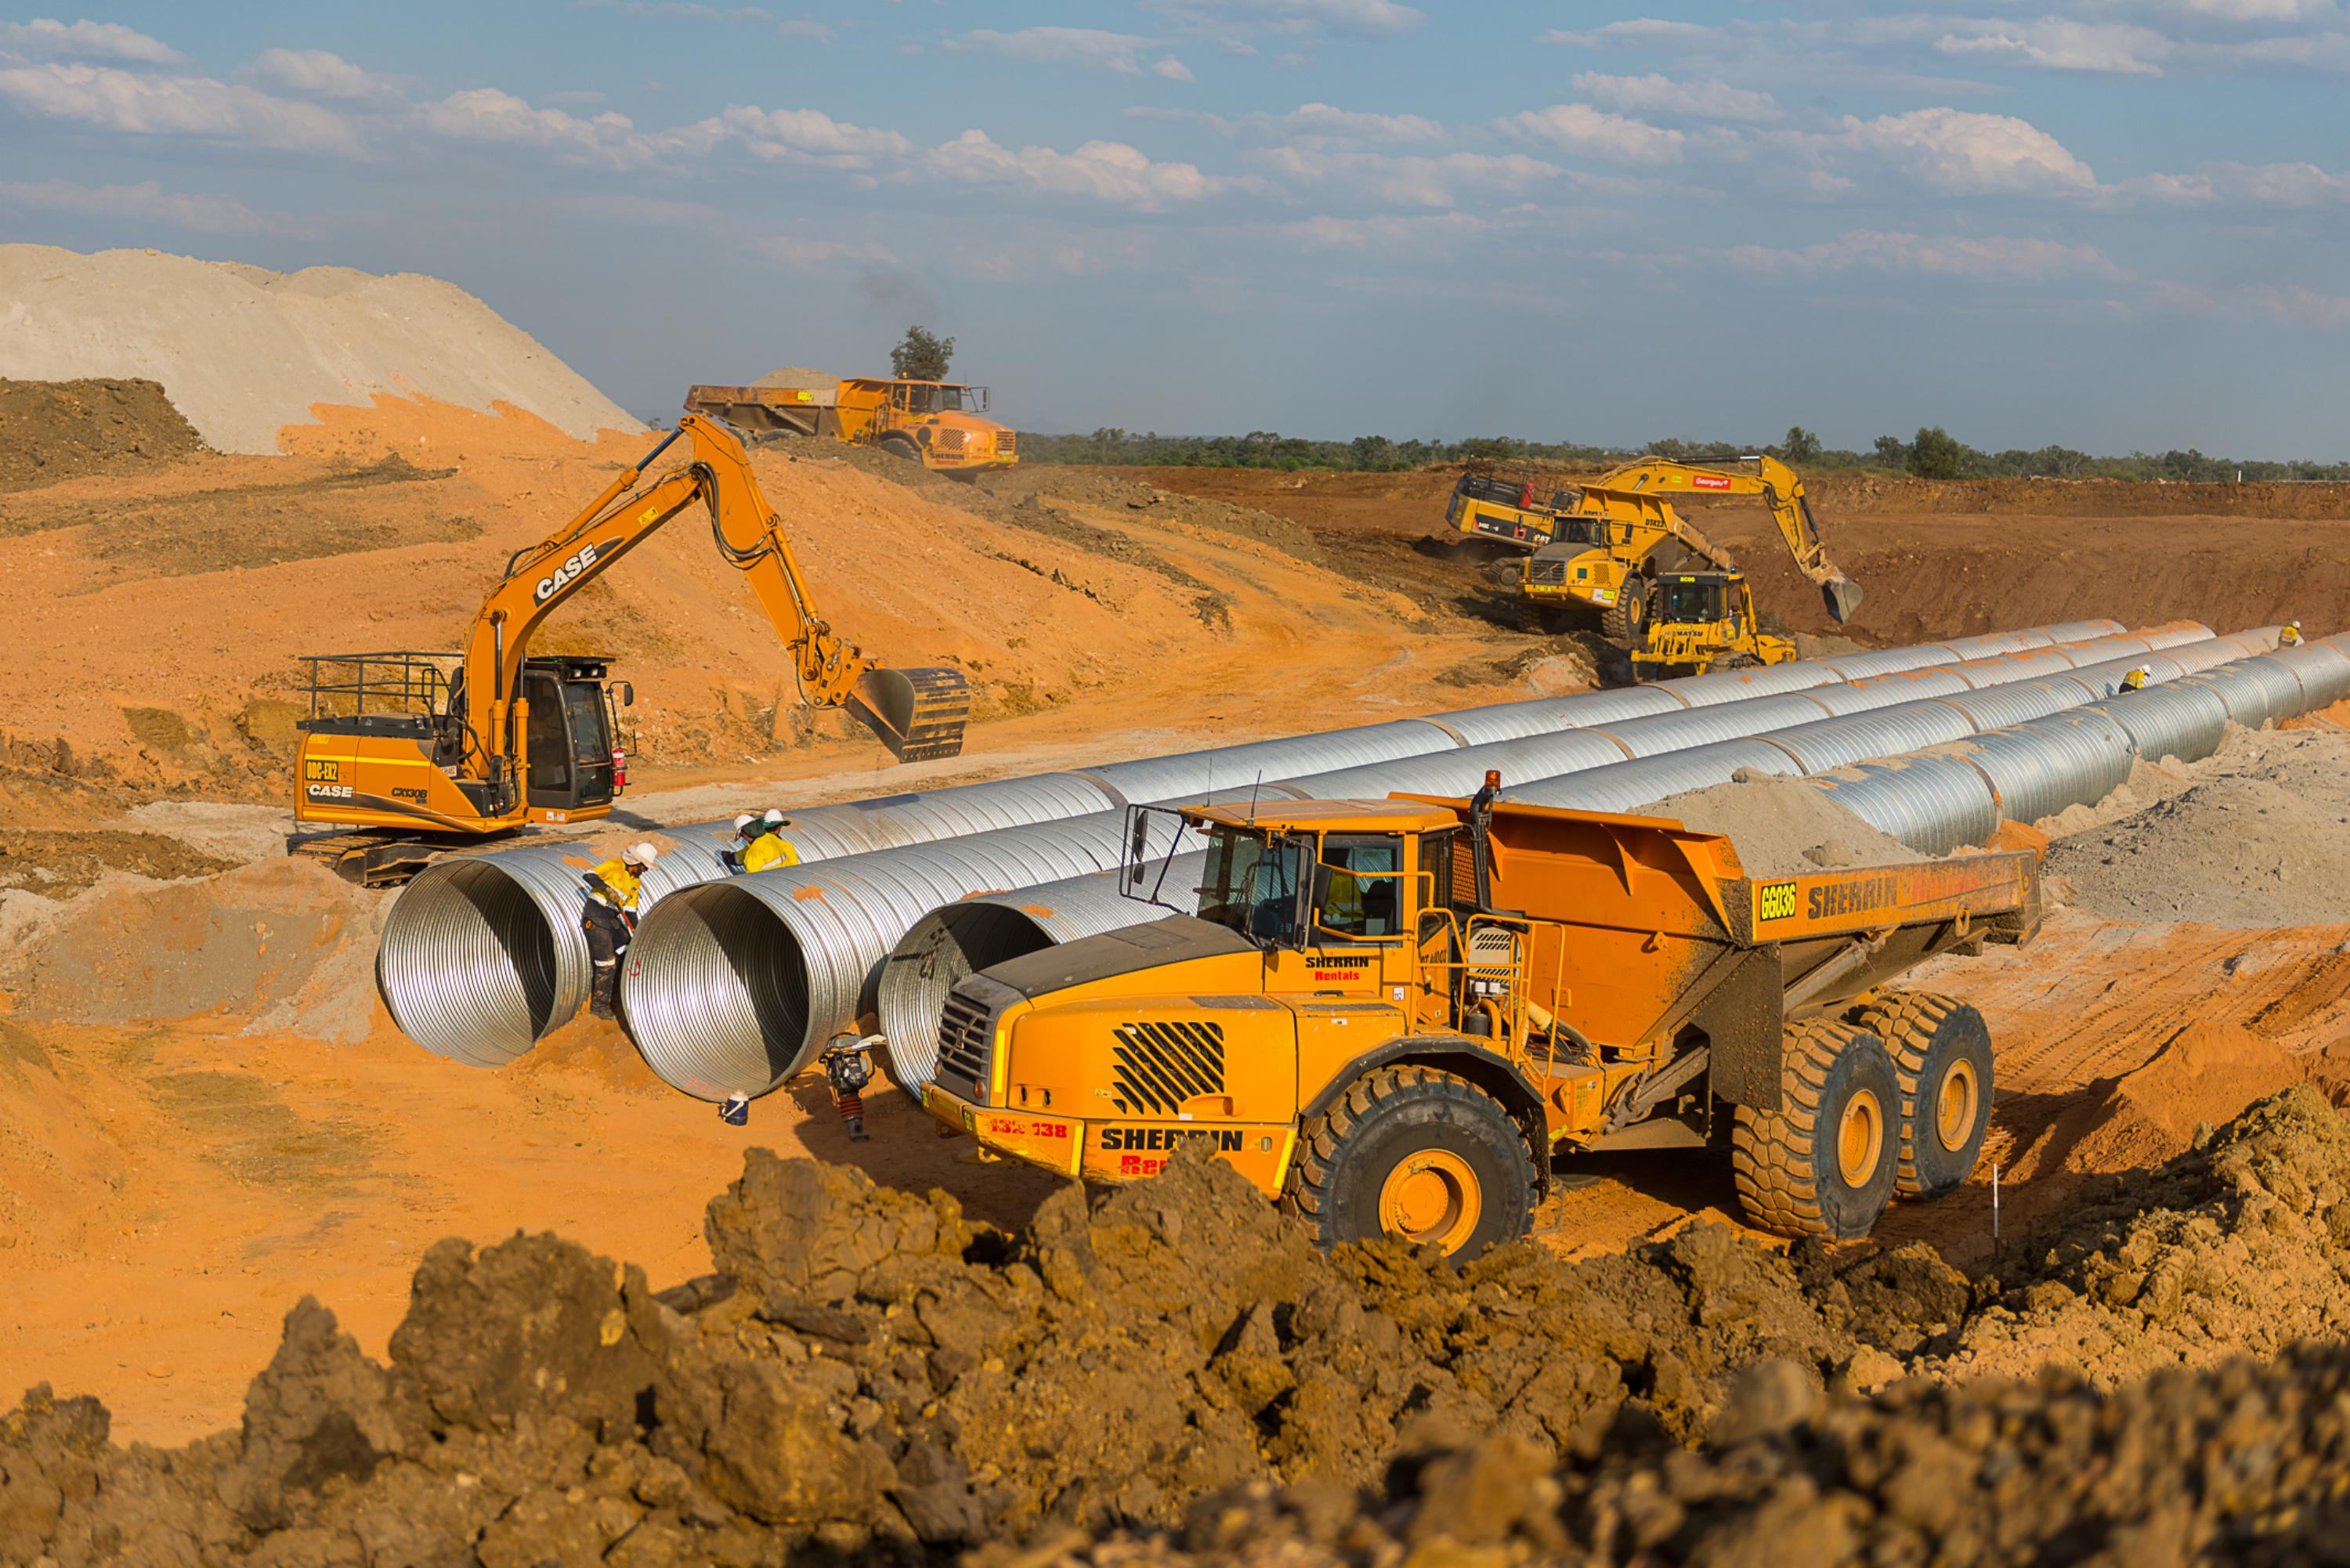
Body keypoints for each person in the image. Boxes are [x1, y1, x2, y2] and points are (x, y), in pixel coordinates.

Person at [581, 841, 657, 1020]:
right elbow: (589, 875)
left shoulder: (635, 883)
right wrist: (606, 888)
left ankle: (617, 999)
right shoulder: (614, 865)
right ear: (637, 863)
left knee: (626, 952)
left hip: (612, 918)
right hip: (596, 915)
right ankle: (599, 1007)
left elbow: (630, 912)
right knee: (607, 963)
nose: (645, 872)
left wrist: (638, 934)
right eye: (644, 867)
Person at [743, 806, 801, 874]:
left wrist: (731, 858)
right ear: (778, 828)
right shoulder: (787, 845)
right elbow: (794, 869)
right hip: (784, 882)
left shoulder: (755, 847)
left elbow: (751, 877)